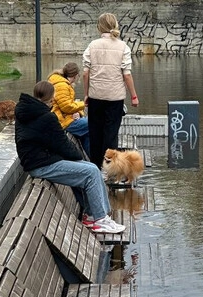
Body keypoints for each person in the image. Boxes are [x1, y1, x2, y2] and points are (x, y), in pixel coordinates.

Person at [14, 81, 125, 234]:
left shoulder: (26, 112)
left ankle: (95, 216)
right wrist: (77, 158)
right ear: (52, 98)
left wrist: (78, 160)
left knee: (92, 168)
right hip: (41, 165)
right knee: (91, 172)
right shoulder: (46, 117)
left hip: (37, 161)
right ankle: (99, 220)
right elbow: (63, 145)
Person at [82, 12, 139, 169]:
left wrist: (86, 94)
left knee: (95, 133)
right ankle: (110, 169)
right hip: (115, 98)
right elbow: (127, 74)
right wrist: (134, 96)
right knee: (111, 134)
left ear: (99, 27)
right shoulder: (123, 47)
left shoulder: (92, 46)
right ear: (115, 25)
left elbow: (86, 73)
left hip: (95, 96)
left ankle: (95, 168)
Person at [47, 62, 90, 156]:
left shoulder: (63, 83)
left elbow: (69, 104)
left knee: (86, 134)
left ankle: (95, 160)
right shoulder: (62, 85)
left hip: (67, 118)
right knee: (96, 123)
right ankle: (99, 158)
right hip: (64, 121)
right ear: (75, 76)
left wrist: (78, 112)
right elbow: (67, 107)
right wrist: (84, 104)